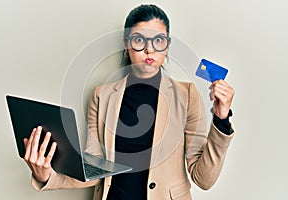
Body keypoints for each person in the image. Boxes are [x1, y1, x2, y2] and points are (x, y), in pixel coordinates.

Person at [23, 4, 235, 200]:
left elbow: (203, 179)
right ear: (126, 43)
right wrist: (48, 176)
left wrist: (221, 120)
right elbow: (95, 171)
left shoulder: (187, 95)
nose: (149, 50)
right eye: (139, 40)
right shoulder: (101, 96)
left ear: (167, 46)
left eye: (159, 40)